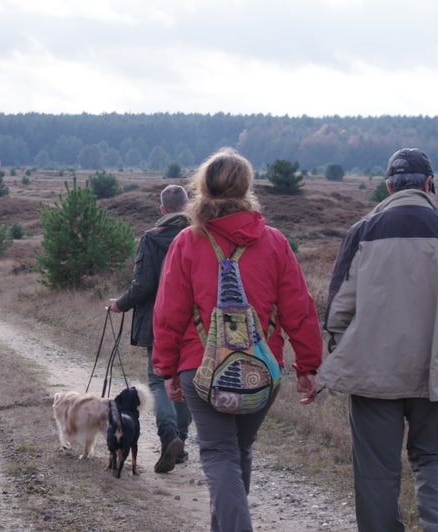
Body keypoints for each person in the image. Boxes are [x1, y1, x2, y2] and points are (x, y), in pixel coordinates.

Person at [319, 148, 438, 532]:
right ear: (430, 184)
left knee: (376, 472)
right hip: (435, 373)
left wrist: (345, 352)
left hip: (370, 375)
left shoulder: (361, 233)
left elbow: (337, 313)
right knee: (436, 458)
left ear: (388, 187)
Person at [152, 147, 322, 531]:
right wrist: (308, 365)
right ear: (247, 187)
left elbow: (169, 313)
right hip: (262, 370)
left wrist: (165, 368)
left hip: (201, 369)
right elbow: (300, 308)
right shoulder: (275, 242)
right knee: (237, 450)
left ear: (204, 188)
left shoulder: (187, 242)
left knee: (219, 453)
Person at [107, 184, 193, 474]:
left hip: (160, 324)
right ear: (187, 206)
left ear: (162, 210)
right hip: (196, 325)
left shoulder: (151, 239)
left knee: (159, 382)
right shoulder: (200, 237)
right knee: (187, 382)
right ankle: (179, 444)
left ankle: (170, 436)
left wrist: (119, 304)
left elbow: (143, 285)